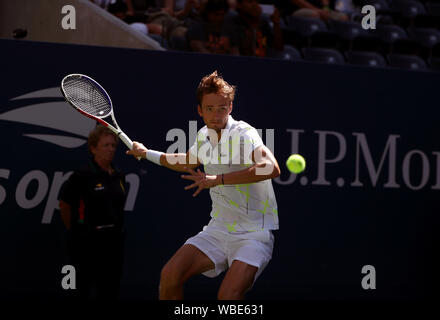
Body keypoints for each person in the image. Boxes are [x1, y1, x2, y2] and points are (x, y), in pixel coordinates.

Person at [126, 71, 280, 299]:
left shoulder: (244, 134)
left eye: (221, 108)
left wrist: (218, 180)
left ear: (230, 107)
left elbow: (271, 168)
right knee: (170, 275)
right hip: (218, 230)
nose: (216, 115)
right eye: (209, 108)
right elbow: (187, 161)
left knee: (228, 296)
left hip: (253, 234)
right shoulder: (204, 135)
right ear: (200, 110)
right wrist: (146, 153)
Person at [59, 125, 127, 300]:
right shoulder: (81, 176)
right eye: (106, 145)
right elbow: (65, 205)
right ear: (93, 148)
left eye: (113, 145)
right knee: (81, 290)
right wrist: (77, 231)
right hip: (86, 244)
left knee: (110, 291)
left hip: (113, 244)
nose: (111, 149)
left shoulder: (119, 175)